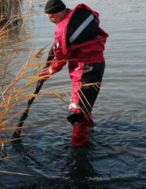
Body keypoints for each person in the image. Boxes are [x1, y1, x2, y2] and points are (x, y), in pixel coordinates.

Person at [38, 0, 108, 147]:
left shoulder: (61, 29)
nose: (50, 20)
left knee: (76, 112)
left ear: (60, 11)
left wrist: (49, 71)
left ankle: (79, 148)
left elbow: (61, 57)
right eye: (48, 17)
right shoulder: (80, 15)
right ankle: (89, 129)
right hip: (98, 65)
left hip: (84, 69)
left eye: (51, 16)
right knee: (84, 102)